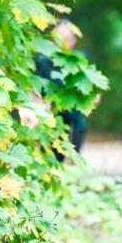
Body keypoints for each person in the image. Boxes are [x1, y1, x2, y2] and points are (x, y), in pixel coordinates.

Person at [34, 19, 89, 161]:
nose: (63, 42)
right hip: (52, 115)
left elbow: (91, 87)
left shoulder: (80, 60)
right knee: (54, 158)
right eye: (59, 37)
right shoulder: (42, 61)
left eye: (68, 38)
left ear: (74, 41)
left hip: (75, 119)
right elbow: (34, 87)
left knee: (73, 157)